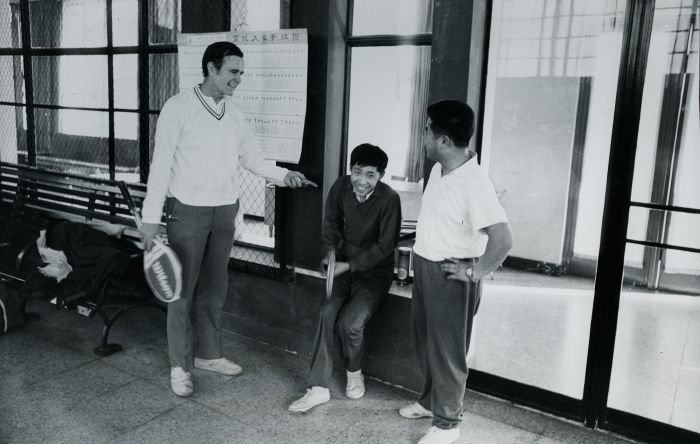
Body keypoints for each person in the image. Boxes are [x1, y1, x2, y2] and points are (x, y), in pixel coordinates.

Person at [140, 41, 316, 397]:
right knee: (181, 291)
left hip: (224, 211)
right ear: (211, 68)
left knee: (214, 287)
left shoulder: (234, 112)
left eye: (241, 73)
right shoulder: (178, 107)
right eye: (233, 72)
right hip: (187, 210)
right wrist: (150, 218)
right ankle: (180, 365)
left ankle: (209, 354)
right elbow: (160, 167)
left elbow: (252, 158)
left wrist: (285, 176)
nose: (239, 79)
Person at [398, 100, 513, 444]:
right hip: (425, 265)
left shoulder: (474, 183)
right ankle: (430, 402)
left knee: (447, 352)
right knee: (427, 343)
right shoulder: (439, 169)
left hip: (451, 274)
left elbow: (503, 239)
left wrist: (475, 272)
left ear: (444, 140)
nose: (422, 136)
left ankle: (448, 425)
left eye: (426, 130)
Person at [288, 143, 402, 413]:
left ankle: (354, 372)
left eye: (370, 175)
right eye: (357, 172)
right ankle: (318, 388)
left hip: (374, 273)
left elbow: (385, 247)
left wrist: (350, 265)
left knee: (351, 324)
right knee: (327, 313)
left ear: (381, 176)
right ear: (350, 169)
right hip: (340, 266)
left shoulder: (390, 199)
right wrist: (331, 253)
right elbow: (330, 225)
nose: (362, 181)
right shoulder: (340, 186)